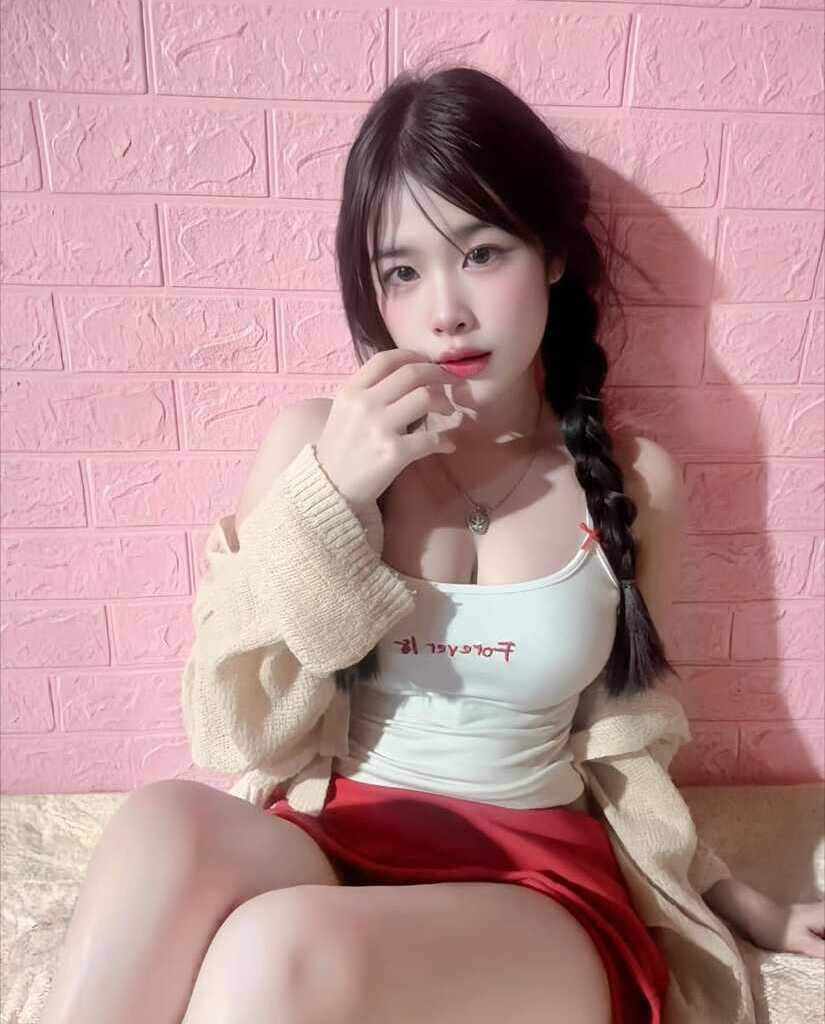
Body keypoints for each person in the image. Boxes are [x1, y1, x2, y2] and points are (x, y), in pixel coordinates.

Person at [40, 65, 823, 1024]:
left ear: (552, 254)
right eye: (401, 272)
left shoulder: (635, 481)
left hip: (530, 885)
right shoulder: (315, 449)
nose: (444, 310)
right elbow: (242, 730)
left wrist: (725, 894)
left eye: (481, 252)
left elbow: (628, 738)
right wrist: (332, 500)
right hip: (336, 841)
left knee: (277, 945)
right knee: (162, 819)